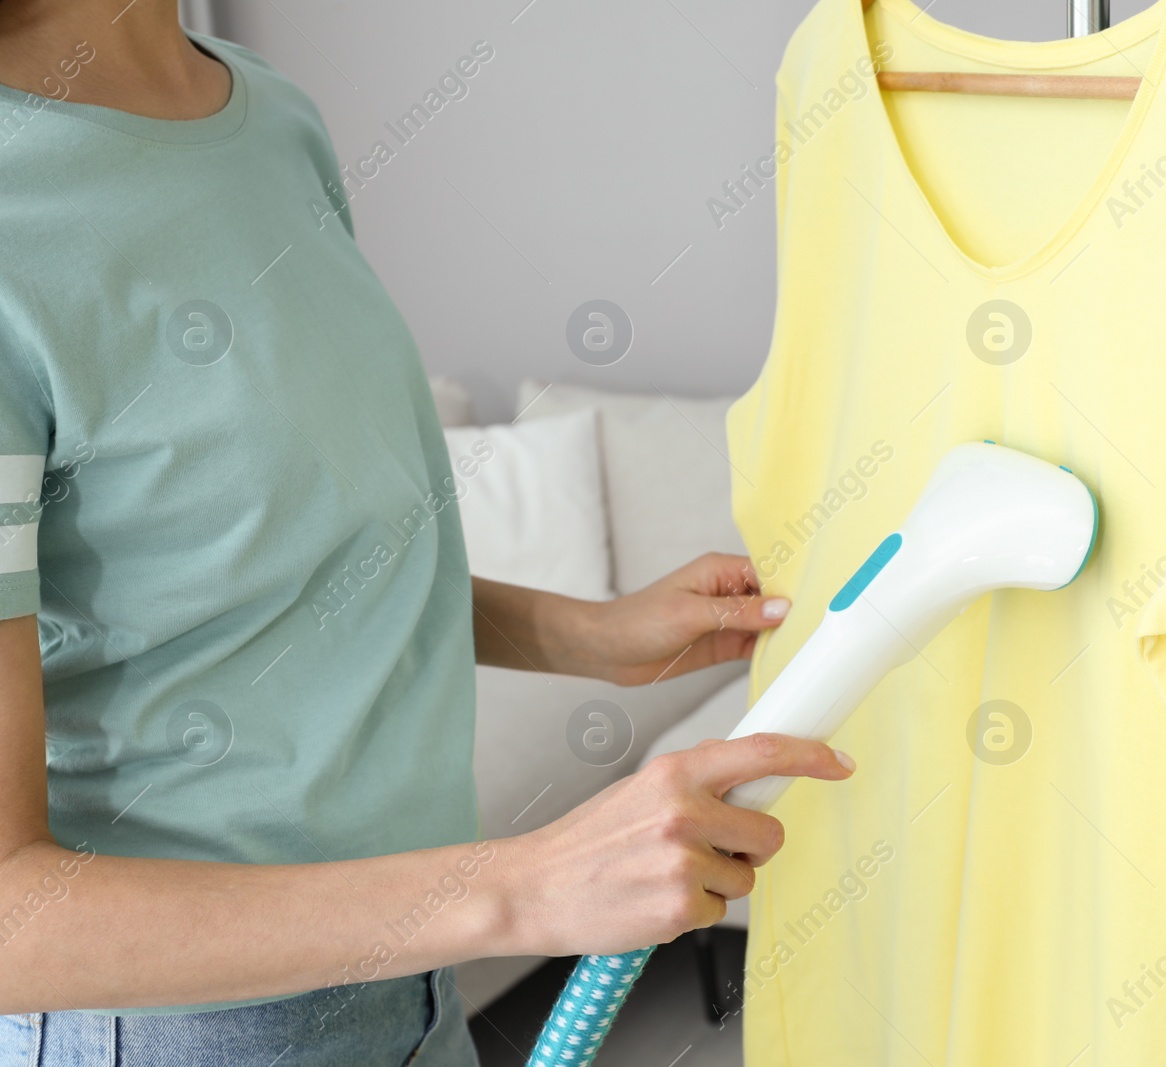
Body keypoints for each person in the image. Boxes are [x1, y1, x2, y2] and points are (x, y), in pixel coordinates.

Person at [0, 1, 853, 1062]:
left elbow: (294, 566)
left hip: (411, 984)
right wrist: (525, 888)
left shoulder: (268, 118)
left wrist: (590, 635)